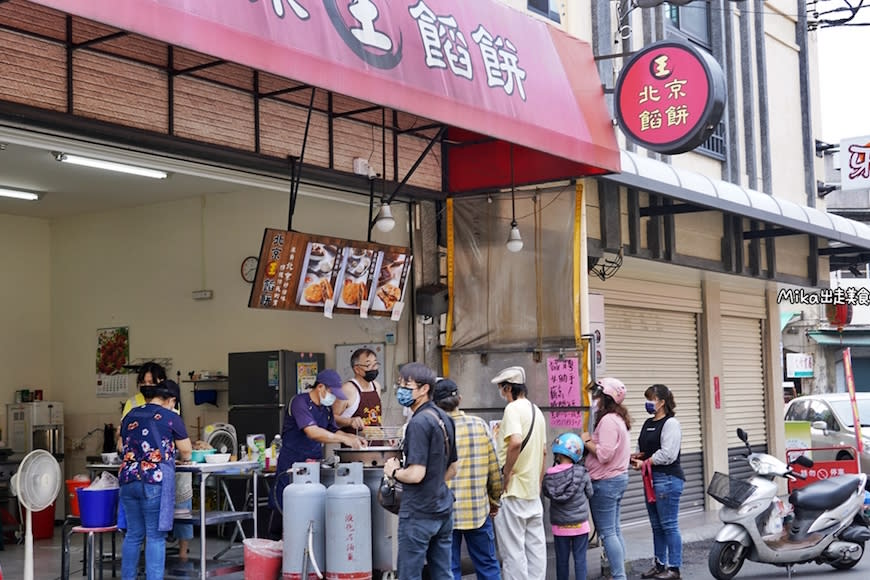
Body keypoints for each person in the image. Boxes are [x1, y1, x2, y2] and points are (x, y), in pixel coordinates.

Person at [383, 363, 458, 580]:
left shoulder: (418, 423)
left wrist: (394, 471)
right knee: (443, 573)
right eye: (400, 384)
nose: (401, 390)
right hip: (443, 509)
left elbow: (416, 474)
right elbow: (453, 467)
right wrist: (434, 486)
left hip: (418, 513)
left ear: (424, 389)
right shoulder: (445, 418)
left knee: (409, 575)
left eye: (407, 385)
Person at [271, 369, 366, 535]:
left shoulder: (325, 409)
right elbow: (312, 431)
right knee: (285, 509)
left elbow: (333, 430)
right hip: (292, 464)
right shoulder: (299, 402)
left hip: (314, 465)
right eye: (332, 393)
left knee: (310, 510)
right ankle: (277, 548)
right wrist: (344, 440)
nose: (334, 398)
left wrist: (352, 438)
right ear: (320, 387)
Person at [117, 362, 194, 562]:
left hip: (128, 479)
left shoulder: (129, 415)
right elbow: (186, 451)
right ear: (171, 400)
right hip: (153, 480)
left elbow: (120, 445)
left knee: (133, 535)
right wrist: (182, 458)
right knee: (154, 536)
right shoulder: (170, 416)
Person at [433, 378, 503, 580]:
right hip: (478, 511)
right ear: (460, 399)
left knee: (449, 568)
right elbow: (494, 470)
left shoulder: (434, 427)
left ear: (434, 402)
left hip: (444, 511)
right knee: (487, 565)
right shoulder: (479, 425)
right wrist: (494, 501)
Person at [490, 365, 547, 580]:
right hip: (532, 492)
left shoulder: (512, 409)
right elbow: (543, 452)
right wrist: (538, 483)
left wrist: (506, 474)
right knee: (536, 549)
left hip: (513, 492)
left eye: (501, 388)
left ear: (508, 387)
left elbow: (515, 441)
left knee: (513, 551)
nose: (501, 393)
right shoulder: (537, 411)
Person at [630, 384, 685, 580]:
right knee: (656, 525)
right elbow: (644, 446)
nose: (648, 403)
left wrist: (646, 461)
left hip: (668, 479)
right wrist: (637, 456)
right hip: (651, 479)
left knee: (669, 524)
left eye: (651, 399)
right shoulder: (648, 423)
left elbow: (668, 454)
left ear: (662, 402)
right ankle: (659, 564)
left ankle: (674, 568)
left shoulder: (671, 424)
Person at [581, 377, 631, 580]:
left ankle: (619, 576)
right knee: (614, 530)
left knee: (608, 533)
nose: (595, 398)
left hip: (606, 481)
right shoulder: (616, 419)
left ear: (606, 397)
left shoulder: (609, 420)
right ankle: (618, 573)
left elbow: (604, 454)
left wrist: (587, 441)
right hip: (615, 479)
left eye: (598, 395)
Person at [542, 433, 594, 580]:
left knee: (562, 561)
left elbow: (546, 492)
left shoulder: (549, 475)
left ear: (557, 454)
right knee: (580, 560)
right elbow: (590, 493)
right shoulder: (582, 472)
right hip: (580, 526)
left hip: (560, 527)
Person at [335, 348, 382, 433]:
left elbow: (377, 417)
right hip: (354, 444)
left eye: (375, 364)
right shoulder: (347, 389)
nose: (373, 368)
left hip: (377, 444)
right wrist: (350, 421)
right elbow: (332, 418)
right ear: (356, 369)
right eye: (368, 365)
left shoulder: (376, 386)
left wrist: (385, 434)